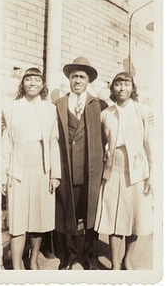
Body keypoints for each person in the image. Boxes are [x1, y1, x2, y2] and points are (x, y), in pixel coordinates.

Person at [1, 67, 61, 270]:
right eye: (28, 80)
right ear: (23, 84)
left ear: (42, 85)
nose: (32, 83)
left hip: (42, 169)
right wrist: (2, 175)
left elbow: (53, 142)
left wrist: (55, 175)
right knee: (18, 218)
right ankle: (17, 264)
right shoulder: (11, 108)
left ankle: (33, 260)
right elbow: (6, 141)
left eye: (36, 80)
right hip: (17, 169)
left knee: (38, 217)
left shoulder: (49, 109)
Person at [94, 72, 153, 270]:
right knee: (114, 216)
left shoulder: (142, 111)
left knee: (135, 217)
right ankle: (116, 263)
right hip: (113, 171)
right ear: (113, 89)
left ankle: (128, 258)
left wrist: (151, 174)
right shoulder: (106, 114)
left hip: (136, 172)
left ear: (132, 88)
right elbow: (102, 142)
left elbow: (150, 143)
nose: (122, 88)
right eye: (118, 84)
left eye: (126, 84)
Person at [54, 57, 108, 270]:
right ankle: (69, 254)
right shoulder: (58, 105)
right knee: (68, 210)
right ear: (69, 79)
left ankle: (88, 254)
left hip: (90, 170)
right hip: (67, 169)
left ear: (88, 81)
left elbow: (109, 134)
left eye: (81, 77)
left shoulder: (100, 106)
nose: (77, 80)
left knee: (90, 211)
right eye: (74, 76)